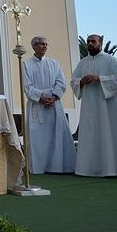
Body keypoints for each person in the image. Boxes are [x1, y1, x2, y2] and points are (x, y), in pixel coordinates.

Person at [71, 34, 117, 177]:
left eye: (93, 41)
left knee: (108, 134)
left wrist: (99, 79)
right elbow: (73, 81)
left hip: (108, 109)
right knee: (90, 135)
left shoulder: (111, 61)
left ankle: (112, 169)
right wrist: (82, 82)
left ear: (100, 43)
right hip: (89, 107)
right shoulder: (82, 63)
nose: (90, 44)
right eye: (88, 41)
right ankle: (87, 169)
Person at [22, 36, 76, 174]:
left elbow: (61, 83)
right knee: (38, 139)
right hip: (37, 105)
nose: (44, 46)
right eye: (40, 44)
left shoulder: (54, 63)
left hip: (53, 104)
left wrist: (54, 97)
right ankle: (39, 167)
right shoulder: (26, 65)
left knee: (55, 135)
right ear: (33, 46)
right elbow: (27, 86)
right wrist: (41, 98)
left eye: (46, 44)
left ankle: (56, 166)